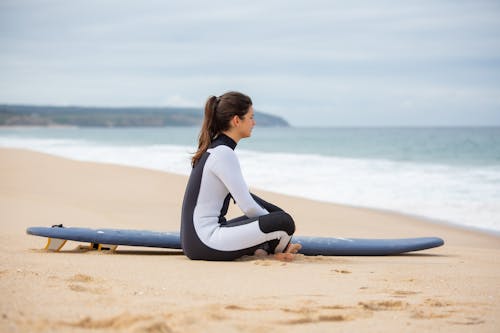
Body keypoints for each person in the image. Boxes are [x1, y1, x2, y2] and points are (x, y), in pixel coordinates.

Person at [180, 91, 301, 261]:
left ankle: (267, 248)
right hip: (205, 242)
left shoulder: (215, 149)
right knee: (284, 223)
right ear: (236, 120)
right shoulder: (223, 153)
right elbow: (249, 207)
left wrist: (275, 214)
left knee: (277, 215)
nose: (254, 122)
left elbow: (247, 198)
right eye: (251, 117)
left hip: (196, 241)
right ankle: (278, 250)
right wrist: (277, 222)